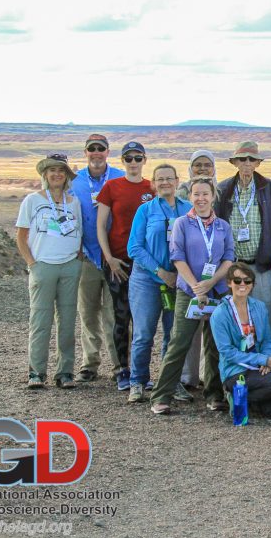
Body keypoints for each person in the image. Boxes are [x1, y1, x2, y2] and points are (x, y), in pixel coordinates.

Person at [150, 177, 235, 414]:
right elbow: (177, 256)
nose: (201, 198)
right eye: (196, 194)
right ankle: (161, 396)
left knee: (215, 345)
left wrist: (212, 282)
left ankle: (215, 394)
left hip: (217, 292)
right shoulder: (181, 224)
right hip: (189, 292)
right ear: (190, 197)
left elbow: (229, 257)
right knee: (179, 343)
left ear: (213, 196)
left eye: (205, 194)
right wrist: (196, 285)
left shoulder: (223, 227)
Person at [215, 141, 271, 349]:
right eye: (242, 159)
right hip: (230, 267)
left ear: (258, 163)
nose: (247, 163)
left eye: (251, 159)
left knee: (265, 316)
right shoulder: (223, 189)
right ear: (235, 162)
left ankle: (269, 369)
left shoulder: (269, 189)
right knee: (232, 317)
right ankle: (235, 370)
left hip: (261, 266)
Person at [15, 153, 83, 389]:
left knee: (67, 322)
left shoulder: (73, 202)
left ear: (66, 177)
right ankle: (36, 372)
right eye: (52, 170)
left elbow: (80, 233)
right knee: (40, 320)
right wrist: (32, 264)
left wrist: (77, 259)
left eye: (61, 171)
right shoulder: (32, 201)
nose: (56, 174)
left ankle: (65, 373)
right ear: (45, 174)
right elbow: (21, 236)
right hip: (43, 266)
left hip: (69, 267)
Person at [125, 163, 192, 403]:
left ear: (177, 181)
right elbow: (134, 247)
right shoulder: (145, 211)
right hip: (147, 280)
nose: (165, 183)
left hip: (179, 282)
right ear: (153, 183)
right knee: (144, 334)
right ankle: (138, 382)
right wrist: (161, 272)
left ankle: (169, 383)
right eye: (160, 179)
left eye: (169, 178)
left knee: (173, 335)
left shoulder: (189, 209)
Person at [96, 141, 155, 391]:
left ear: (144, 160)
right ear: (122, 161)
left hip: (145, 263)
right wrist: (108, 258)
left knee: (144, 320)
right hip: (118, 260)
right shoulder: (112, 187)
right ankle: (122, 369)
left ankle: (142, 372)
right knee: (122, 316)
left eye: (137, 158)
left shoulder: (151, 188)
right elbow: (101, 225)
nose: (133, 162)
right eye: (128, 158)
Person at [70, 134, 123, 383]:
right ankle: (89, 364)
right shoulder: (75, 181)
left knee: (115, 314)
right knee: (88, 313)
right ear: (85, 152)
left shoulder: (119, 177)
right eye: (92, 149)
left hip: (114, 256)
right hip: (87, 257)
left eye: (100, 149)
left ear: (107, 152)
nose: (96, 153)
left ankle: (120, 365)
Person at [210, 263, 271, 419]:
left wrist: (265, 362)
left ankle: (245, 399)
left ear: (252, 284)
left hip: (258, 368)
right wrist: (261, 359)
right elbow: (227, 352)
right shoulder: (219, 315)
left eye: (247, 281)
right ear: (229, 283)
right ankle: (237, 396)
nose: (242, 284)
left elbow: (268, 340)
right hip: (235, 370)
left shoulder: (259, 307)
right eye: (237, 280)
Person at [176, 149, 217, 391]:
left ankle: (207, 375)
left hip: (215, 275)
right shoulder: (182, 194)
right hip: (189, 272)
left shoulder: (221, 192)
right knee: (189, 326)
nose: (202, 169)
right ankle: (187, 376)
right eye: (198, 165)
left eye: (207, 165)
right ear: (190, 168)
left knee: (212, 325)